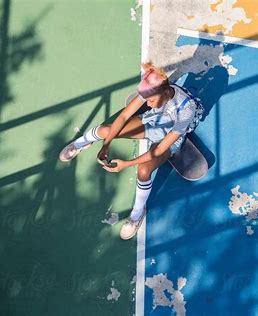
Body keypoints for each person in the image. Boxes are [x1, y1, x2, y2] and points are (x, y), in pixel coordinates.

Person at [59, 61, 197, 240]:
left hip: (170, 137)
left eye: (151, 100)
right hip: (153, 121)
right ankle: (80, 143)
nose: (146, 103)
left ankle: (137, 214)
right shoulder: (151, 89)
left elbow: (161, 148)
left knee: (144, 170)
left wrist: (127, 164)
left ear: (163, 93)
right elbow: (124, 115)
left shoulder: (186, 109)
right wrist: (106, 143)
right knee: (104, 130)